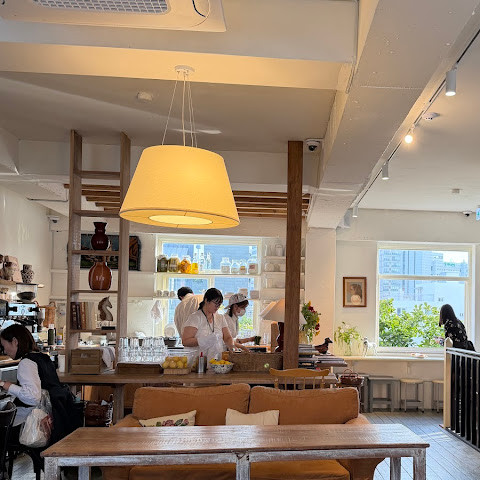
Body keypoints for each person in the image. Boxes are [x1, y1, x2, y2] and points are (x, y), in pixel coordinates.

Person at [0, 324, 79, 444]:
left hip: (32, 425)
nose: (5, 351)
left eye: (4, 346)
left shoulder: (26, 363)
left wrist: (5, 385)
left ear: (15, 341)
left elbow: (32, 398)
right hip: (54, 420)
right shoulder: (43, 358)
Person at [182, 288, 234, 364]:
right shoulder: (195, 317)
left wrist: (231, 348)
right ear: (206, 300)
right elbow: (185, 341)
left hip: (217, 363)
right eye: (216, 303)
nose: (217, 307)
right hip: (198, 363)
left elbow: (228, 337)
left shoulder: (220, 318)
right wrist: (203, 340)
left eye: (219, 304)